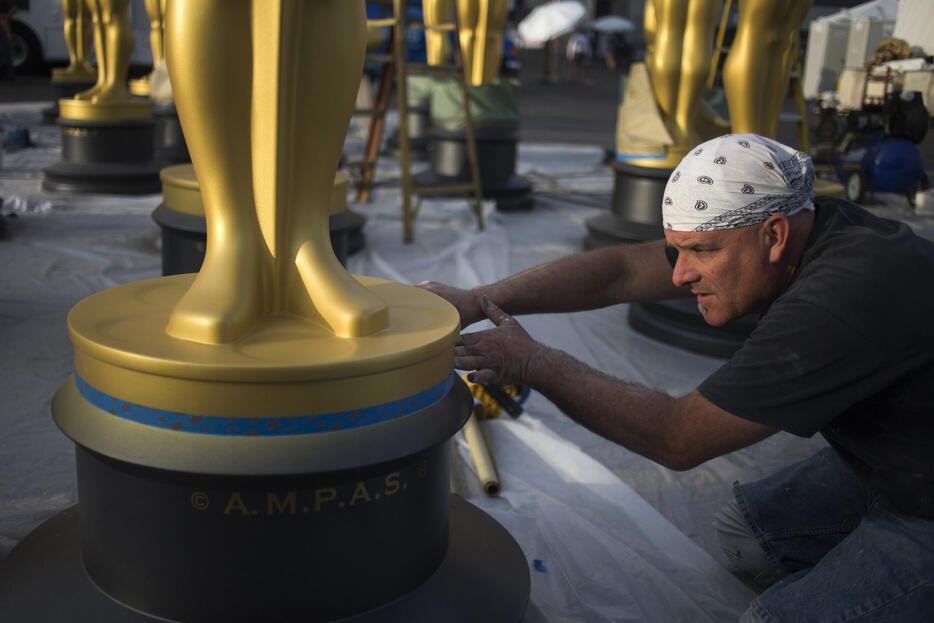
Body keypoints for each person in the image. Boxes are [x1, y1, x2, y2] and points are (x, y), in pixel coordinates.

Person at [420, 133, 934, 622]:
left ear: (774, 234)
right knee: (746, 533)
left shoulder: (836, 300)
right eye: (678, 250)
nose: (681, 275)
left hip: (923, 496)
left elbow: (679, 436)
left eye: (702, 252)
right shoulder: (812, 222)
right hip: (902, 455)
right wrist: (478, 300)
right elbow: (621, 270)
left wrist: (534, 363)